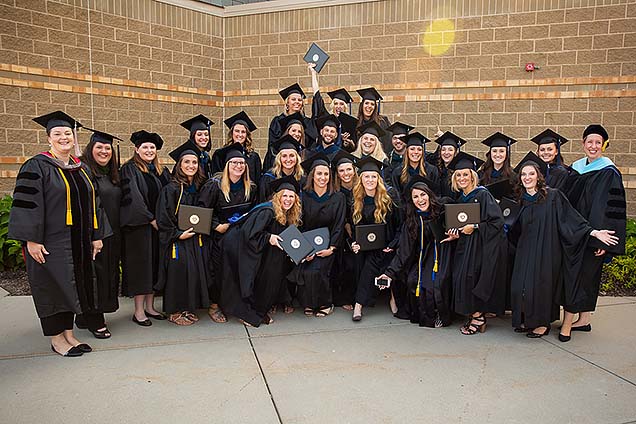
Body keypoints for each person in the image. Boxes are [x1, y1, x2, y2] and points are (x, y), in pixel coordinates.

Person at [9, 111, 111, 357]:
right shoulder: (37, 166)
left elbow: (95, 204)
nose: (64, 137)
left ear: (74, 138)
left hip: (78, 241)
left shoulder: (82, 167)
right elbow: (27, 203)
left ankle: (69, 334)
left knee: (73, 286)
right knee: (52, 288)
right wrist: (31, 239)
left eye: (67, 133)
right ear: (48, 139)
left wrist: (96, 235)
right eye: (58, 134)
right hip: (50, 243)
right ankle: (57, 339)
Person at [508, 157, 618, 338]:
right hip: (525, 249)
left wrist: (594, 233)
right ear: (520, 178)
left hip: (546, 249)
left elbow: (570, 219)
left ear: (538, 176)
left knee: (540, 287)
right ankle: (527, 320)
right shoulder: (520, 200)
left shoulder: (552, 196)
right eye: (524, 175)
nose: (527, 177)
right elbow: (515, 227)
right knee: (520, 286)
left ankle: (542, 324)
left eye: (531, 174)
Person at [560, 124, 626, 342]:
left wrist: (604, 243)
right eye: (590, 142)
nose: (593, 146)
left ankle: (571, 323)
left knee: (586, 277)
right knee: (581, 277)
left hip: (597, 237)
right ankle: (584, 319)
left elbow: (612, 209)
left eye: (598, 142)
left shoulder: (609, 172)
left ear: (604, 145)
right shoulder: (576, 168)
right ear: (583, 143)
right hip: (575, 233)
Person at [219, 176, 302, 327]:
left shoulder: (286, 213)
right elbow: (249, 233)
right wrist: (269, 237)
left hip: (253, 245)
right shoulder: (267, 211)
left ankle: (257, 309)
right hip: (237, 246)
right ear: (277, 196)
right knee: (247, 277)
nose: (288, 199)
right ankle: (246, 313)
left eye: (291, 196)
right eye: (285, 195)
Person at [378, 176, 454, 327]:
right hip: (423, 257)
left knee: (435, 282)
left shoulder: (444, 208)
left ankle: (440, 315)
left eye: (423, 194)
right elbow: (404, 250)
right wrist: (388, 273)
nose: (420, 199)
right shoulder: (412, 221)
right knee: (413, 280)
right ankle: (424, 315)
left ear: (429, 194)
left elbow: (462, 221)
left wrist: (456, 232)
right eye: (415, 197)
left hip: (444, 253)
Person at [445, 152, 507, 335]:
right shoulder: (461, 198)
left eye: (466, 174)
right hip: (465, 247)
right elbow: (459, 224)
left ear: (472, 175)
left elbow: (497, 222)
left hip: (480, 248)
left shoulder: (483, 195)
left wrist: (474, 226)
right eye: (459, 175)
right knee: (460, 278)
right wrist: (455, 233)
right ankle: (475, 314)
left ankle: (478, 317)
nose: (462, 178)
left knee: (471, 279)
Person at [198, 143, 257, 323]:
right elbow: (202, 210)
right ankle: (215, 305)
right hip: (219, 236)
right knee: (219, 270)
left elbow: (255, 211)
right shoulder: (214, 186)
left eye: (241, 163)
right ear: (227, 166)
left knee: (240, 269)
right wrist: (216, 225)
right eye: (234, 163)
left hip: (241, 235)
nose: (238, 166)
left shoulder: (251, 187)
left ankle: (237, 303)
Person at [120, 130, 171, 327]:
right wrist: (151, 219)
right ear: (136, 149)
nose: (149, 150)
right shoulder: (130, 169)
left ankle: (150, 307)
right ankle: (139, 311)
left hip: (158, 227)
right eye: (145, 147)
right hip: (140, 228)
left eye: (152, 147)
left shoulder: (160, 170)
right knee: (141, 268)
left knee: (154, 266)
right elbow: (133, 198)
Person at [155, 146, 210, 326]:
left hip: (193, 237)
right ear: (179, 165)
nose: (191, 165)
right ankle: (173, 311)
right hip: (177, 240)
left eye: (194, 162)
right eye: (187, 162)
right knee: (177, 273)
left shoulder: (197, 186)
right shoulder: (171, 188)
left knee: (191, 273)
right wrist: (178, 234)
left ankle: (187, 308)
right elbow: (163, 217)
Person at [288, 153, 346, 317]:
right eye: (319, 173)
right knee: (307, 270)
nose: (323, 177)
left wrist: (332, 248)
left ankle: (325, 303)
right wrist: (302, 250)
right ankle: (309, 303)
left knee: (318, 270)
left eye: (326, 174)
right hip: (307, 245)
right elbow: (298, 223)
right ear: (312, 175)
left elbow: (339, 224)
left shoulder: (338, 197)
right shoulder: (304, 196)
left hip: (329, 246)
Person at [77, 128, 122, 339]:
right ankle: (96, 320)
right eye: (99, 147)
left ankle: (85, 316)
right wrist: (97, 234)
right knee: (96, 277)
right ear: (90, 148)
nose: (104, 151)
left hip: (112, 234)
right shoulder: (84, 171)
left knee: (108, 275)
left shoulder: (111, 173)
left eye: (107, 148)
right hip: (95, 234)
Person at [350, 157, 402, 322]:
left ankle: (362, 303)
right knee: (370, 259)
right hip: (369, 245)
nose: (370, 180)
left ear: (379, 178)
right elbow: (356, 228)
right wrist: (355, 243)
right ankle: (360, 303)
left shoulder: (390, 195)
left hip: (390, 243)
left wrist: (393, 244)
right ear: (361, 179)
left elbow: (400, 224)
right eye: (366, 176)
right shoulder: (357, 199)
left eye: (373, 176)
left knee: (379, 258)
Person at [266, 83, 318, 167]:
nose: (297, 102)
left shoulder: (307, 122)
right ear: (287, 103)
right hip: (280, 164)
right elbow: (272, 146)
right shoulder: (278, 121)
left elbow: (311, 146)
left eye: (299, 100)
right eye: (293, 99)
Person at [309, 64, 357, 152]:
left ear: (345, 107)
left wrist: (347, 143)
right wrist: (313, 73)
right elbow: (317, 97)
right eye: (336, 103)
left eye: (341, 104)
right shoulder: (326, 117)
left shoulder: (350, 123)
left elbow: (354, 147)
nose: (338, 106)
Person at [212, 111, 261, 185]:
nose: (240, 134)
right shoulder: (220, 155)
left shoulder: (253, 157)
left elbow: (257, 181)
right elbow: (216, 179)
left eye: (243, 132)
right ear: (232, 133)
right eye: (237, 131)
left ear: (247, 135)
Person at [391, 132, 440, 197]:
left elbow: (436, 194)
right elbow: (397, 196)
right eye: (412, 149)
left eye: (419, 149)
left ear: (422, 152)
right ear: (407, 151)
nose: (416, 152)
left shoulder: (432, 170)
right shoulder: (398, 172)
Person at [259, 134, 304, 202]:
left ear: (297, 158)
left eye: (292, 156)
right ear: (279, 158)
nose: (288, 159)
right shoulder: (268, 178)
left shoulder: (303, 179)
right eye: (284, 156)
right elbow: (261, 202)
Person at [355, 87, 392, 155]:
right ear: (362, 105)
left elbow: (388, 143)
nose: (369, 106)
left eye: (372, 104)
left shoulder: (382, 122)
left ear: (375, 107)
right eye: (366, 103)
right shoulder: (356, 123)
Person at [178, 114, 214, 179]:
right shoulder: (187, 155)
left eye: (206, 134)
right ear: (193, 136)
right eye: (199, 134)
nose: (203, 137)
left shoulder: (206, 157)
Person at [433, 131, 465, 199]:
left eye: (450, 150)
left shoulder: (459, 172)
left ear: (455, 152)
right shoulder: (436, 169)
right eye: (443, 150)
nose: (446, 153)